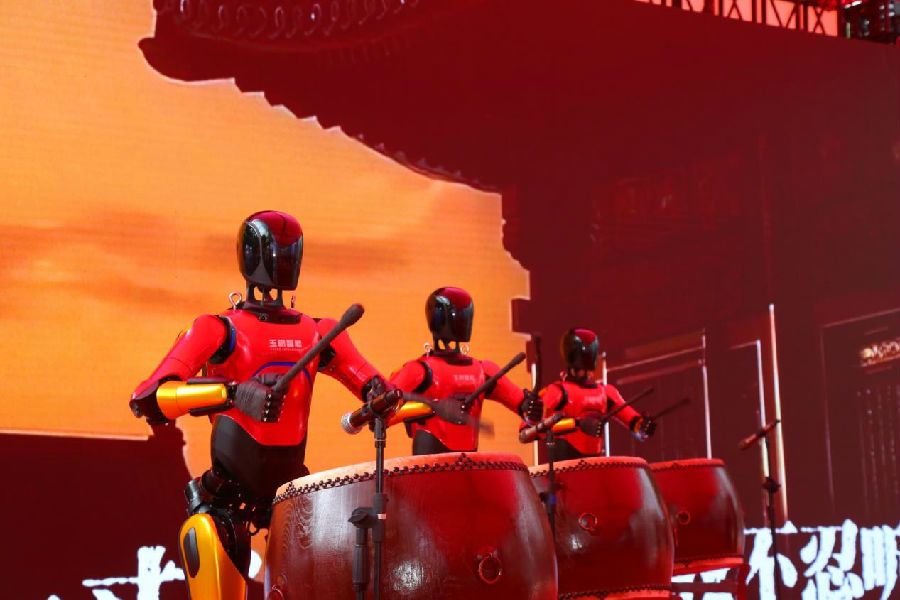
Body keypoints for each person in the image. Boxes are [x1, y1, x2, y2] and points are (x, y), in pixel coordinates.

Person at [129, 210, 392, 600]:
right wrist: (232, 394)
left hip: (293, 493)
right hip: (227, 494)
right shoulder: (219, 328)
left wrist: (384, 400)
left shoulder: (319, 331)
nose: (282, 259)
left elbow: (375, 388)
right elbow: (151, 399)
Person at [387, 286, 542, 455]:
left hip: (468, 462)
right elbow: (381, 411)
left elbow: (522, 404)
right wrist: (433, 407)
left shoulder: (483, 370)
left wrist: (531, 407)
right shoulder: (418, 370)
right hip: (429, 463)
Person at [539, 327, 655, 461]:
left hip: (596, 465)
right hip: (565, 467)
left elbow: (633, 421)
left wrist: (643, 427)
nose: (586, 373)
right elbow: (532, 430)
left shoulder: (606, 393)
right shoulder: (556, 391)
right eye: (581, 370)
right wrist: (576, 423)